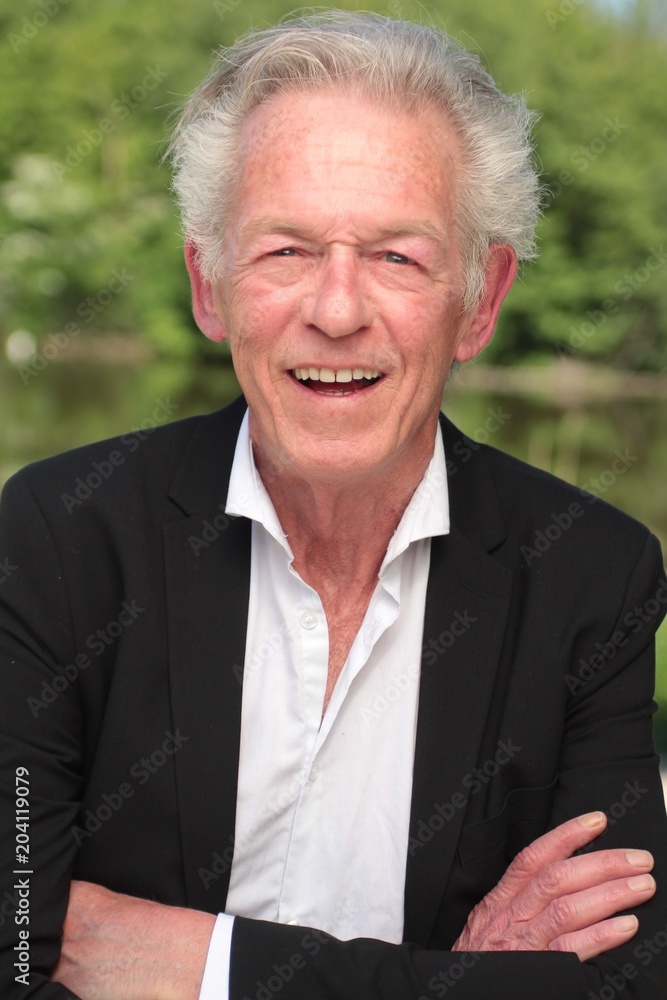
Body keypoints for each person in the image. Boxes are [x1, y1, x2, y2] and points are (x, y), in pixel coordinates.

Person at [1, 11, 666, 1000]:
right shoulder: (59, 537)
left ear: (479, 300)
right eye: (285, 251)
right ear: (209, 285)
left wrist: (199, 964)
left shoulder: (592, 576)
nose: (337, 310)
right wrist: (457, 981)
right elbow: (15, 949)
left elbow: (620, 985)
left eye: (397, 256)